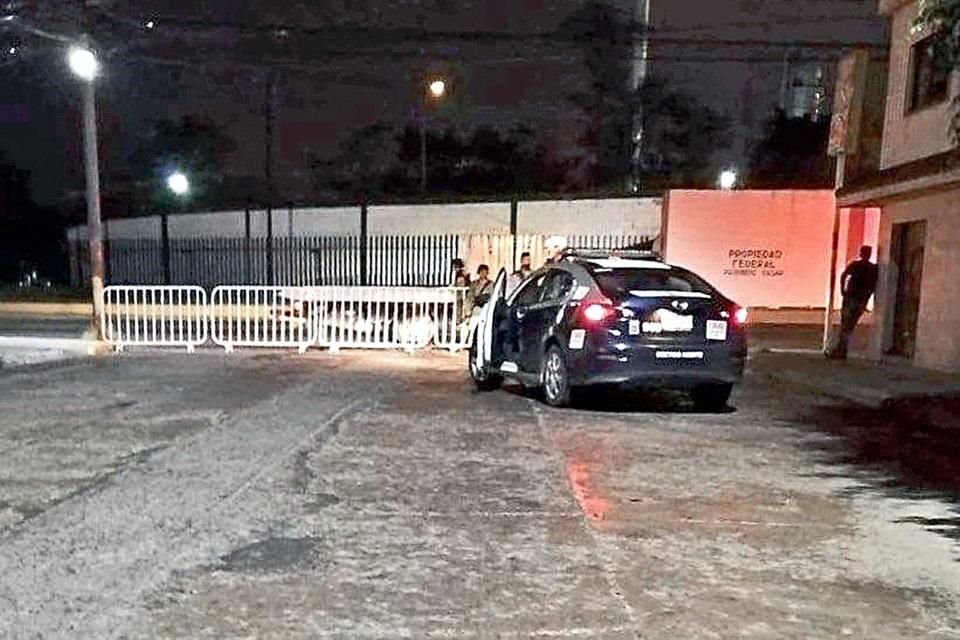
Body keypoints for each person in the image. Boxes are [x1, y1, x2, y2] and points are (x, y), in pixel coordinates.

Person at [828, 245, 879, 360]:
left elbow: (844, 275)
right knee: (850, 325)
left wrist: (843, 290)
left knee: (846, 324)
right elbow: (872, 286)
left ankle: (841, 349)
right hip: (860, 299)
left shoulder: (857, 265)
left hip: (852, 297)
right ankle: (841, 348)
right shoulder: (872, 268)